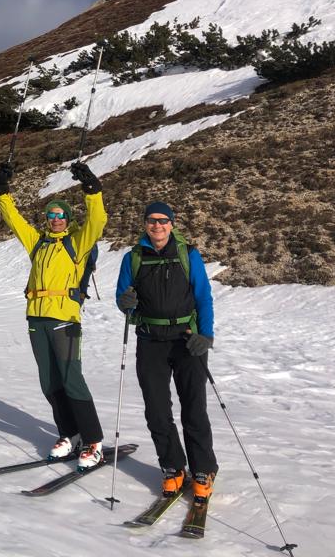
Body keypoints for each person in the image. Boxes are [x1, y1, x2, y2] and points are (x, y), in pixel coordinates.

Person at [0, 160, 108, 469]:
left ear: (67, 219)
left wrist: (91, 189)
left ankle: (93, 441)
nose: (55, 219)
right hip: (37, 318)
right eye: (51, 215)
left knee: (72, 380)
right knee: (50, 382)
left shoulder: (77, 243)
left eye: (60, 215)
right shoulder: (38, 243)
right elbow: (14, 221)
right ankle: (69, 434)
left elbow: (97, 220)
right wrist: (2, 191)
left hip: (64, 320)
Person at [115, 201, 217, 503]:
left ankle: (203, 469)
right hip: (150, 340)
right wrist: (126, 303)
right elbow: (122, 297)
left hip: (187, 339)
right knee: (157, 409)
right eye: (151, 220)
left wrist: (206, 336)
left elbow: (204, 297)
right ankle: (172, 466)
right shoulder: (133, 258)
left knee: (194, 407)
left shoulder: (188, 254)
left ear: (172, 224)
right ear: (145, 224)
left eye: (163, 220)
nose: (157, 225)